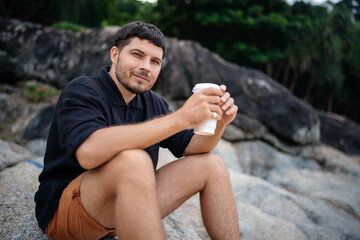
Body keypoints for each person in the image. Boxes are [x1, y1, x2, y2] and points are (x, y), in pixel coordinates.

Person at [35, 21, 240, 240]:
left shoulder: (154, 103)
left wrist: (220, 124)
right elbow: (88, 153)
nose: (146, 67)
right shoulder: (84, 90)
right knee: (134, 160)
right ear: (115, 55)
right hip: (69, 212)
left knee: (212, 164)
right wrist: (180, 118)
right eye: (137, 55)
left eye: (155, 61)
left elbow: (193, 148)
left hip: (127, 209)